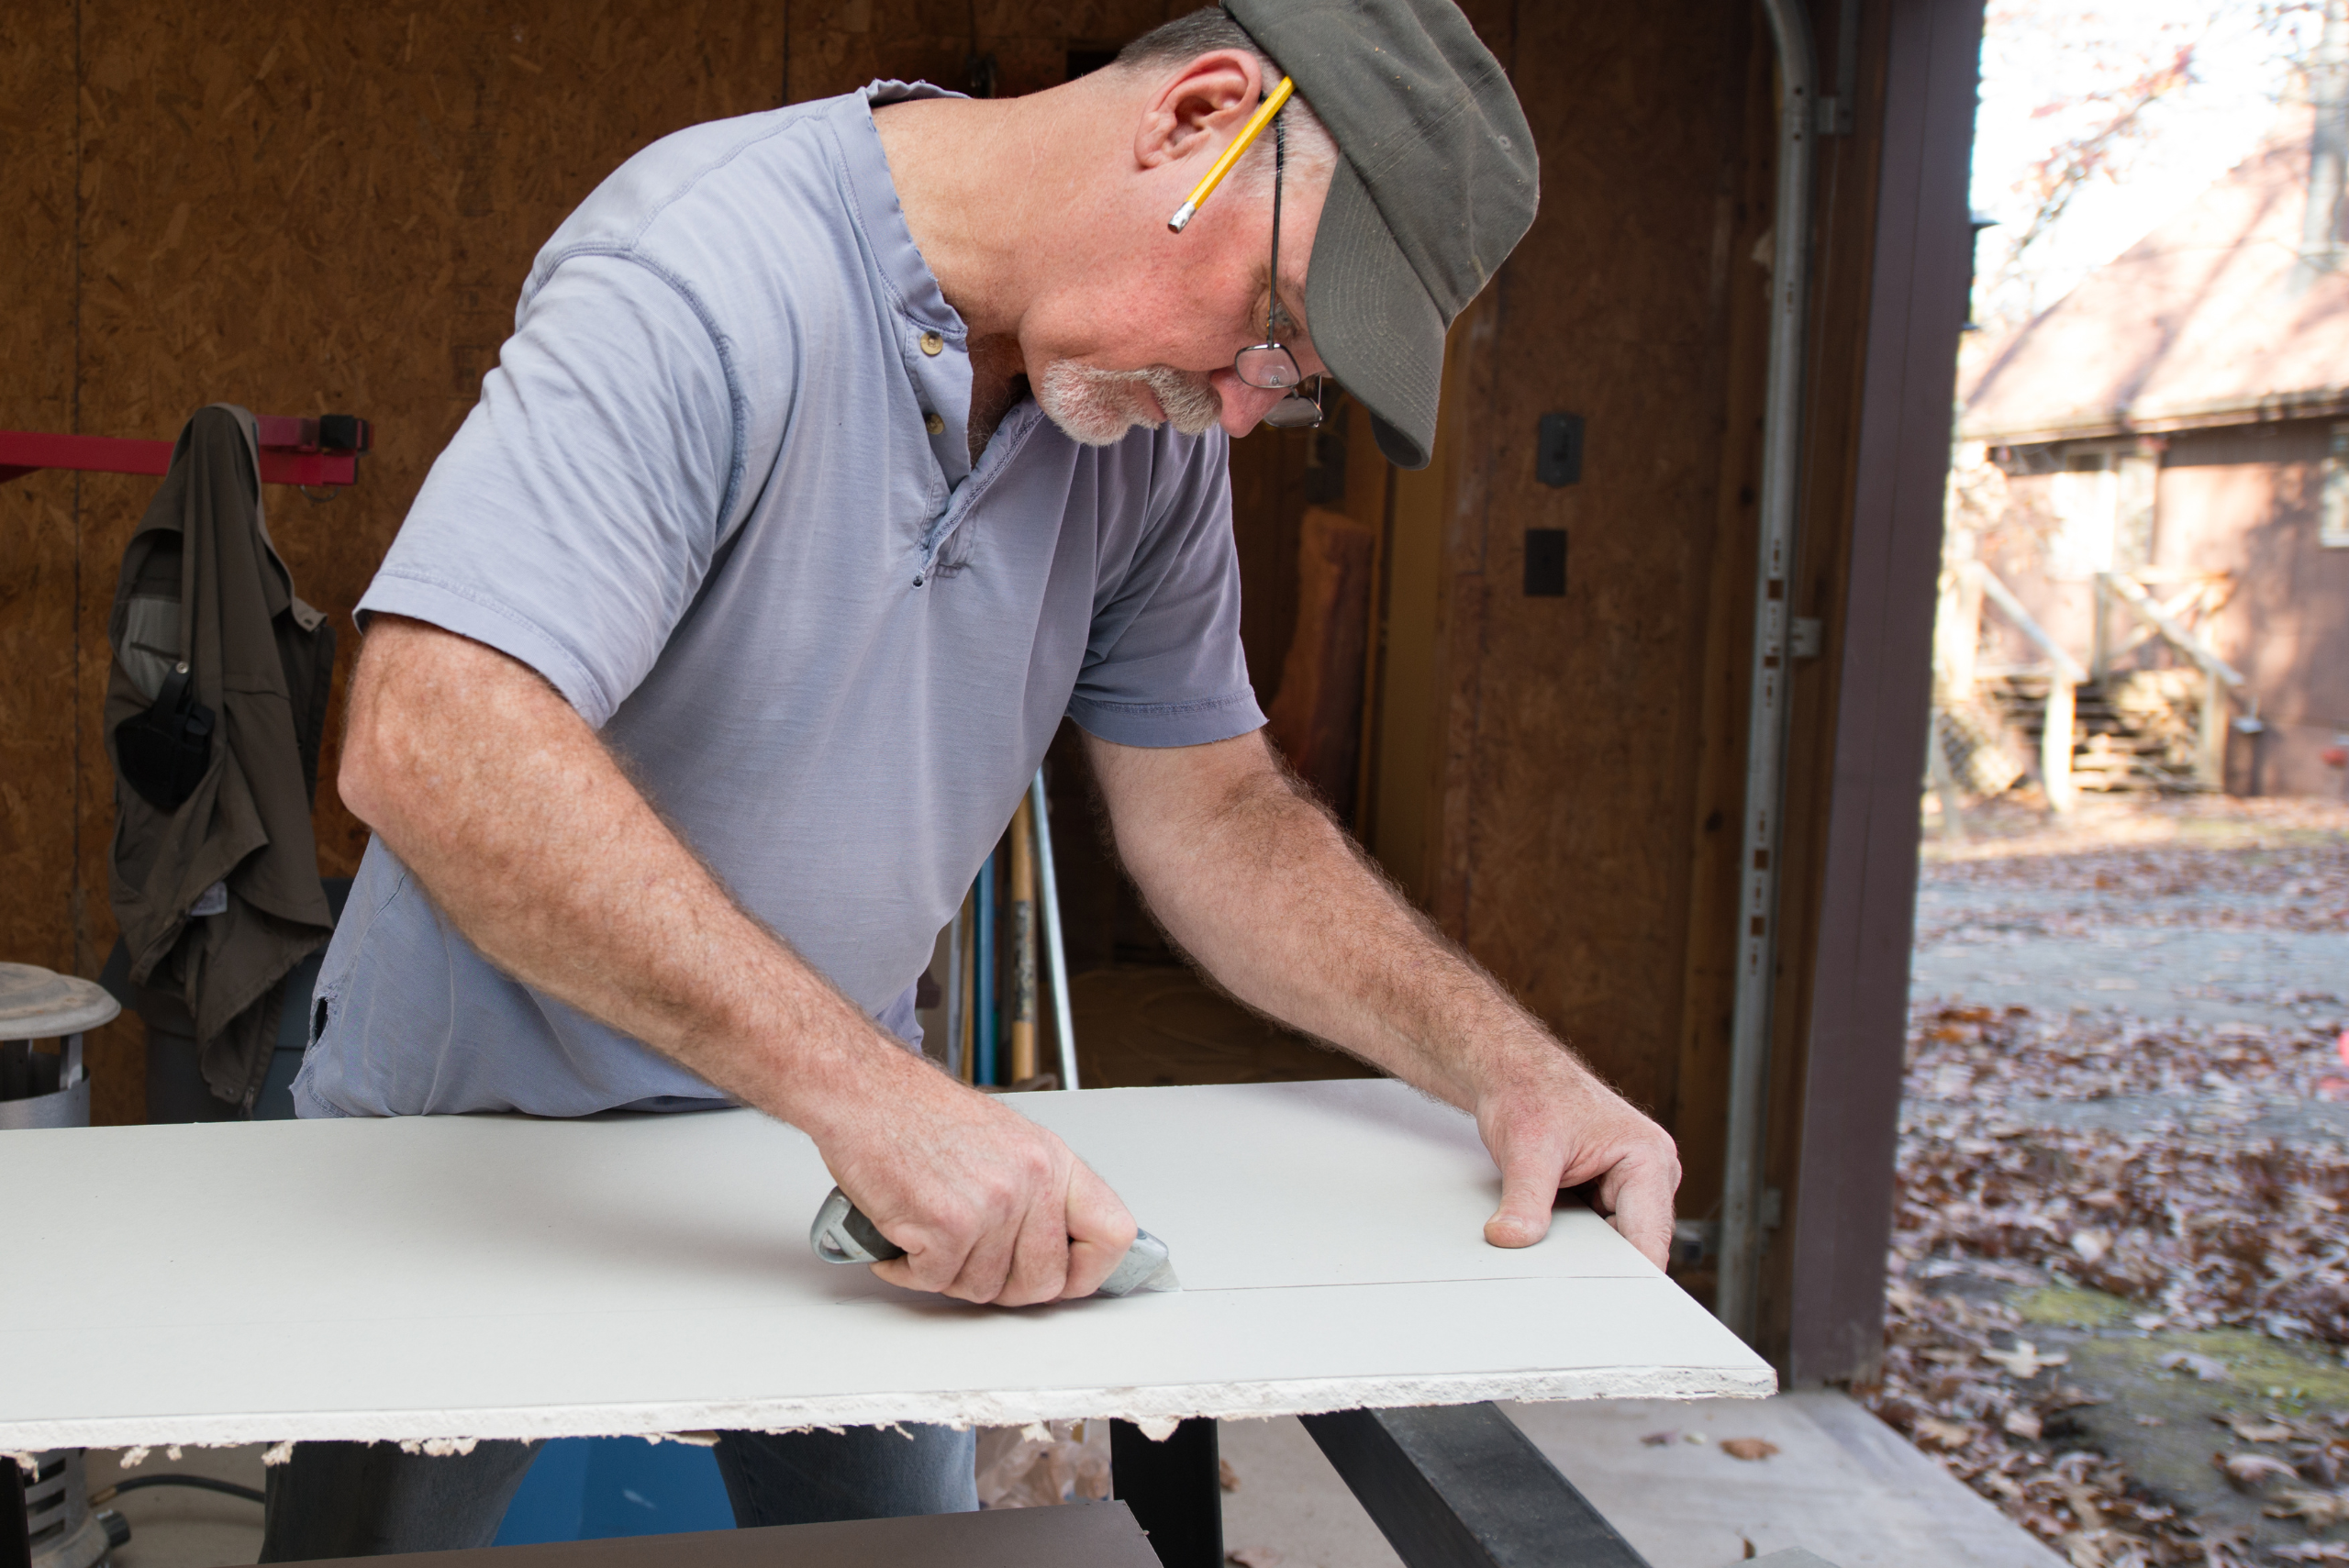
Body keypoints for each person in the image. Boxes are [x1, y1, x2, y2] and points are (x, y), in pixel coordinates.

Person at [263, 0, 1682, 1556]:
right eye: (1273, 321)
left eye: (1296, 380)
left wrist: (1503, 1063)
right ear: (1195, 119)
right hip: (485, 1136)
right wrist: (873, 1097)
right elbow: (432, 733)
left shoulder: (1149, 429)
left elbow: (1215, 810)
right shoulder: (715, 269)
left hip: (841, 1147)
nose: (1243, 404)